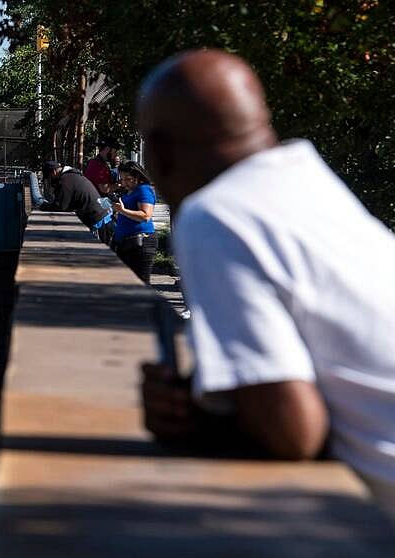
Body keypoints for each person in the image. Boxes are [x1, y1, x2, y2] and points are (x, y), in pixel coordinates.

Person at [136, 50, 395, 516]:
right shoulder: (308, 183)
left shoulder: (216, 214)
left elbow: (292, 432)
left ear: (159, 151)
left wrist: (197, 425)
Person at [37, 160, 113, 238]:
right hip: (102, 215)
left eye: (49, 177)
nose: (50, 181)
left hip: (97, 220)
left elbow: (61, 206)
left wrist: (44, 206)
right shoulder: (72, 175)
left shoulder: (65, 180)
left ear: (54, 172)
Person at [109, 160, 157, 283]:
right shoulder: (130, 190)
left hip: (139, 243)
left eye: (128, 179)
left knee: (140, 283)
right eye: (122, 179)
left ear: (137, 177)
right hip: (125, 242)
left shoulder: (144, 190)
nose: (124, 183)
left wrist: (122, 211)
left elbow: (145, 215)